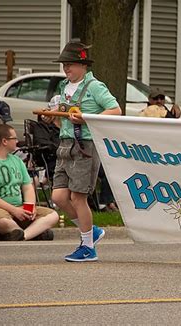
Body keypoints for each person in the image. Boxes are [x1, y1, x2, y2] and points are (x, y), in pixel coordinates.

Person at [43, 41, 122, 262]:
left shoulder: (95, 86)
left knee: (78, 197)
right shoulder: (64, 87)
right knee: (58, 196)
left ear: (83, 65)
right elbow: (63, 112)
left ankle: (88, 246)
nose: (66, 69)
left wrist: (86, 118)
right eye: (64, 65)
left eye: (70, 64)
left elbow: (115, 109)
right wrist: (52, 114)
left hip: (85, 146)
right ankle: (91, 231)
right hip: (65, 144)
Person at [0, 124, 58, 241]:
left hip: (19, 209)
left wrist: (29, 208)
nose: (17, 141)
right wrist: (13, 210)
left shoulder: (17, 161)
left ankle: (22, 235)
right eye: (14, 138)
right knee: (4, 222)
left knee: (53, 215)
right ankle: (32, 232)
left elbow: (27, 187)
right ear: (4, 141)